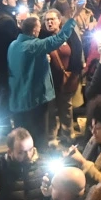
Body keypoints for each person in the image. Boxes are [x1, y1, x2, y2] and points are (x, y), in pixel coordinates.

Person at [6, 13, 77, 146]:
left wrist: (43, 59)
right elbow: (59, 38)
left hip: (17, 98)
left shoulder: (13, 45)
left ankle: (21, 156)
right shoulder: (34, 45)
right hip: (34, 99)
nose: (40, 29)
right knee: (37, 135)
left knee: (20, 134)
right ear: (34, 30)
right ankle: (37, 157)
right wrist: (74, 17)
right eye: (39, 27)